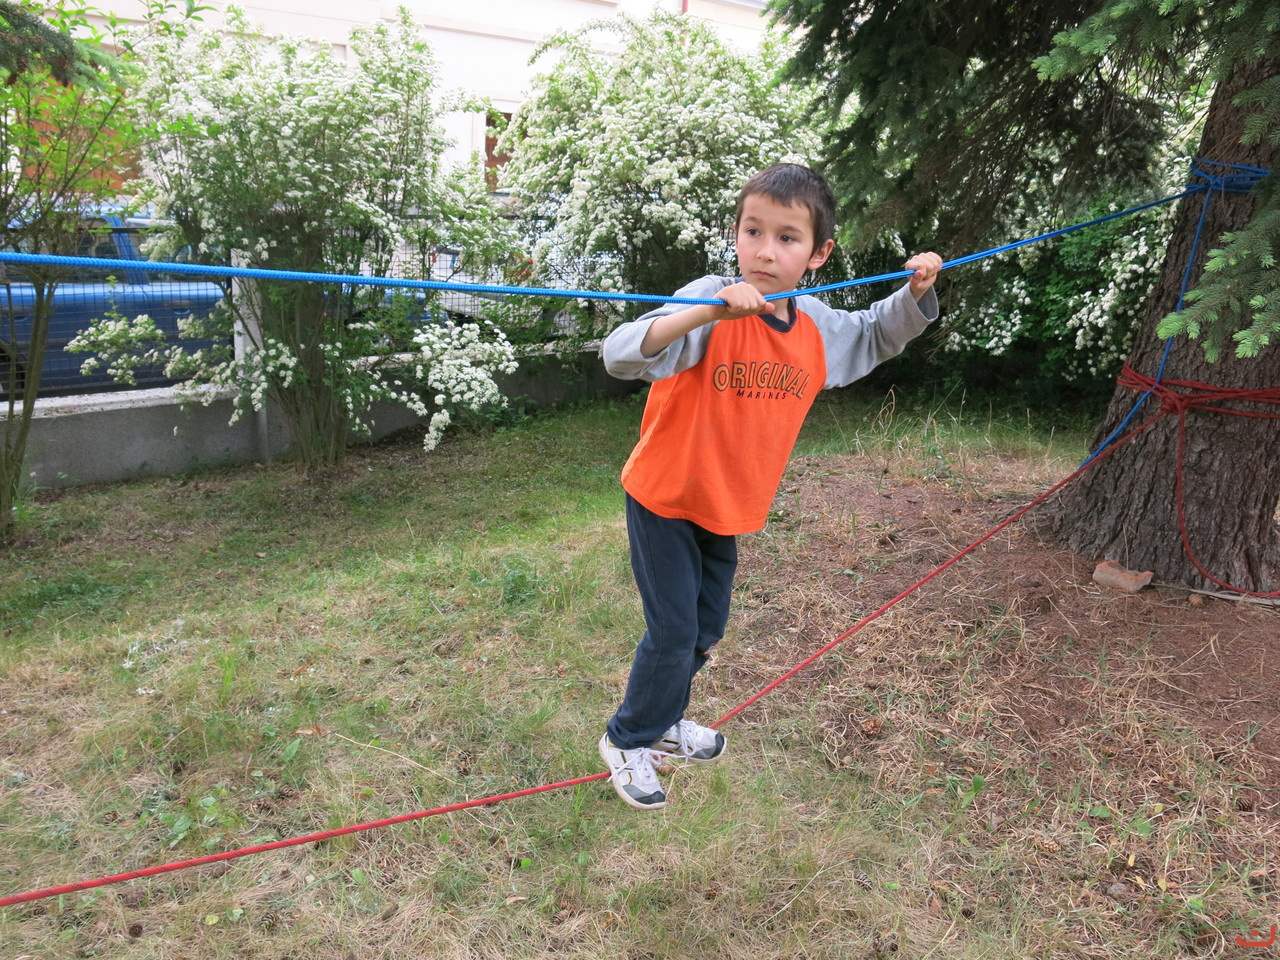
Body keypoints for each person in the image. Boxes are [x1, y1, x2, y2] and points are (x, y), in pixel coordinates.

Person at [598, 162, 942, 810]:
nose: (764, 250)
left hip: (728, 506)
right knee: (673, 632)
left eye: (787, 238)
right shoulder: (711, 298)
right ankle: (627, 739)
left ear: (818, 254)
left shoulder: (814, 326)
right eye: (752, 231)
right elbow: (621, 354)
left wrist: (915, 290)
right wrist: (705, 313)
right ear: (735, 234)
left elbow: (875, 334)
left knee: (705, 630)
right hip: (665, 496)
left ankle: (664, 720)